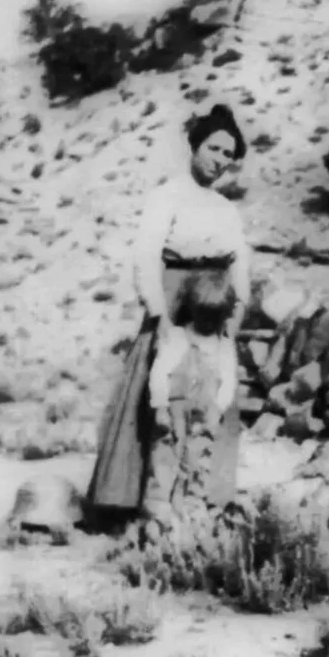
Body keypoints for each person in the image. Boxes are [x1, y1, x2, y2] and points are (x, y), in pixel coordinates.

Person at [86, 103, 250, 530]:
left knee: (210, 398)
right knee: (159, 396)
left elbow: (240, 261)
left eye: (229, 155)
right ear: (195, 146)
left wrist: (238, 309)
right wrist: (158, 312)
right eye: (214, 148)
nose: (220, 160)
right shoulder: (167, 196)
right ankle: (137, 503)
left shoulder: (225, 208)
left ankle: (200, 500)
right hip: (175, 301)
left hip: (214, 306)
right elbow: (145, 255)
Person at [141, 271, 240, 541]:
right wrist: (160, 406)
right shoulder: (177, 337)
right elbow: (160, 372)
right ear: (192, 310)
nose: (207, 323)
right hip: (174, 410)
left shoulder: (224, 346)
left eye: (214, 317)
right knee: (164, 460)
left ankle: (191, 518)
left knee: (198, 464)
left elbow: (228, 381)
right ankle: (158, 520)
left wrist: (218, 409)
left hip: (205, 413)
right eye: (203, 315)